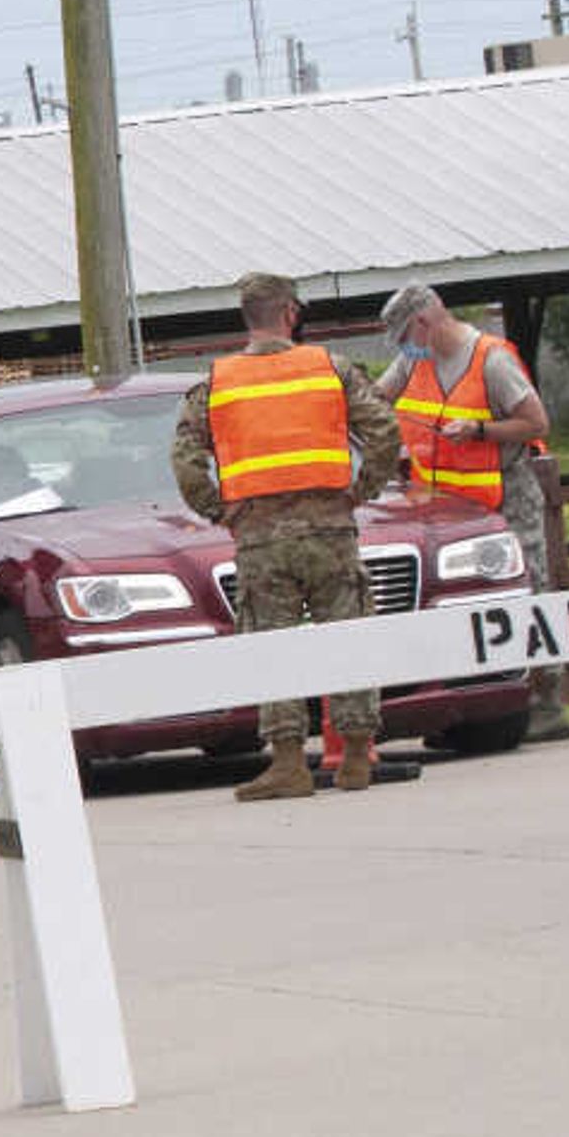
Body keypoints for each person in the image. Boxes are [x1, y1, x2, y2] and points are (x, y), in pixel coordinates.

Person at [172, 272, 404, 799]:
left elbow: (185, 460)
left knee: (273, 645)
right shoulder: (330, 369)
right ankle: (354, 758)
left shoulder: (217, 381)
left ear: (246, 317)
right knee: (347, 633)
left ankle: (288, 763)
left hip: (260, 537)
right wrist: (359, 490)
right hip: (330, 529)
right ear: (291, 314)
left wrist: (220, 510)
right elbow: (384, 430)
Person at [381, 280, 569, 743]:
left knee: (529, 590)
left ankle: (547, 703)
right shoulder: (412, 361)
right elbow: (377, 397)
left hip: (507, 497)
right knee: (455, 601)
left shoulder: (492, 360)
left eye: (406, 337)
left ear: (424, 322)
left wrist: (481, 429)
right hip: (448, 511)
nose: (404, 350)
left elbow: (536, 422)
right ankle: (468, 707)